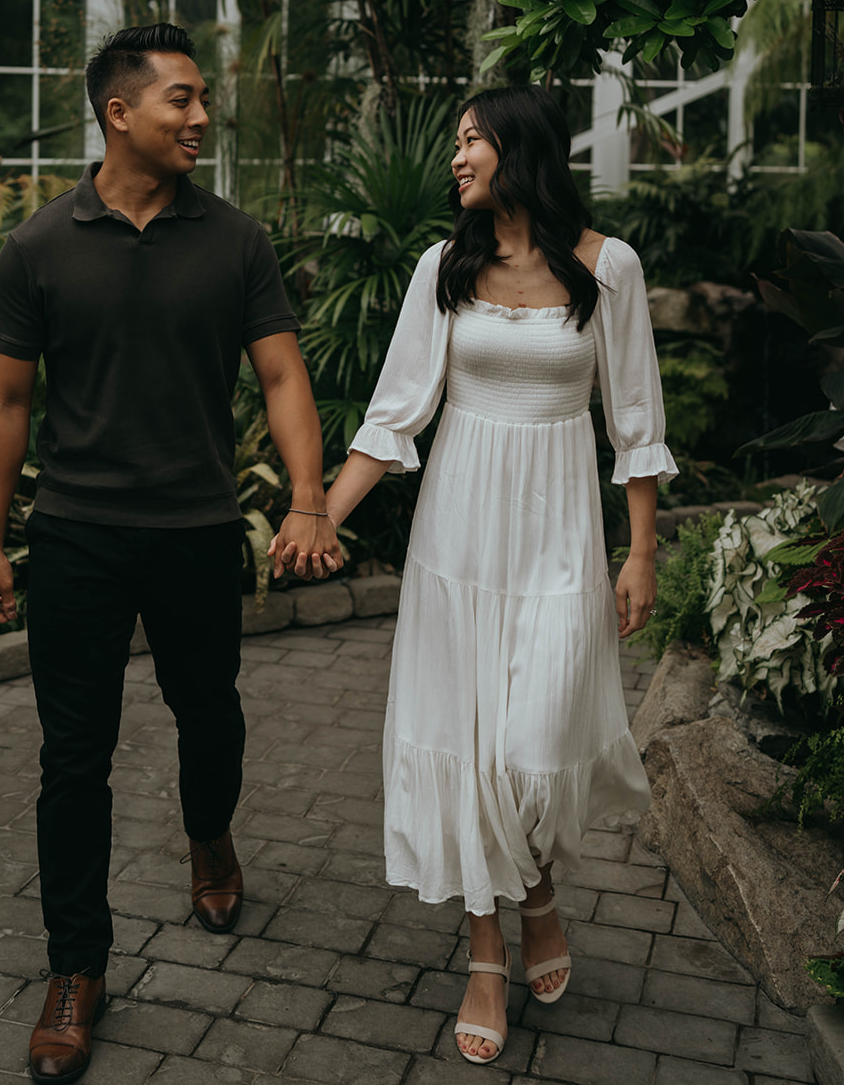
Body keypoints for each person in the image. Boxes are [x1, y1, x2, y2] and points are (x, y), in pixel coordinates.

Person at [0, 22, 339, 1085]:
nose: (200, 118)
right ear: (117, 112)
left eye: (202, 101)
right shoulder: (39, 246)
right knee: (71, 759)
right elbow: (4, 400)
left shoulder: (235, 240)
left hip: (193, 528)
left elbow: (279, 378)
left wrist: (306, 501)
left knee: (208, 711)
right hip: (79, 535)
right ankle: (76, 968)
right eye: (181, 99)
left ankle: (209, 832)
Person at [277, 84, 675, 1066]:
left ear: (519, 149)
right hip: (457, 538)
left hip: (555, 538)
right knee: (467, 742)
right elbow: (393, 414)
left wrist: (640, 552)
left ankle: (535, 893)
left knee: (533, 743)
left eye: (469, 141)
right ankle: (488, 948)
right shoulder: (442, 267)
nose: (454, 158)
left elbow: (634, 423)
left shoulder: (604, 266)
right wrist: (317, 512)